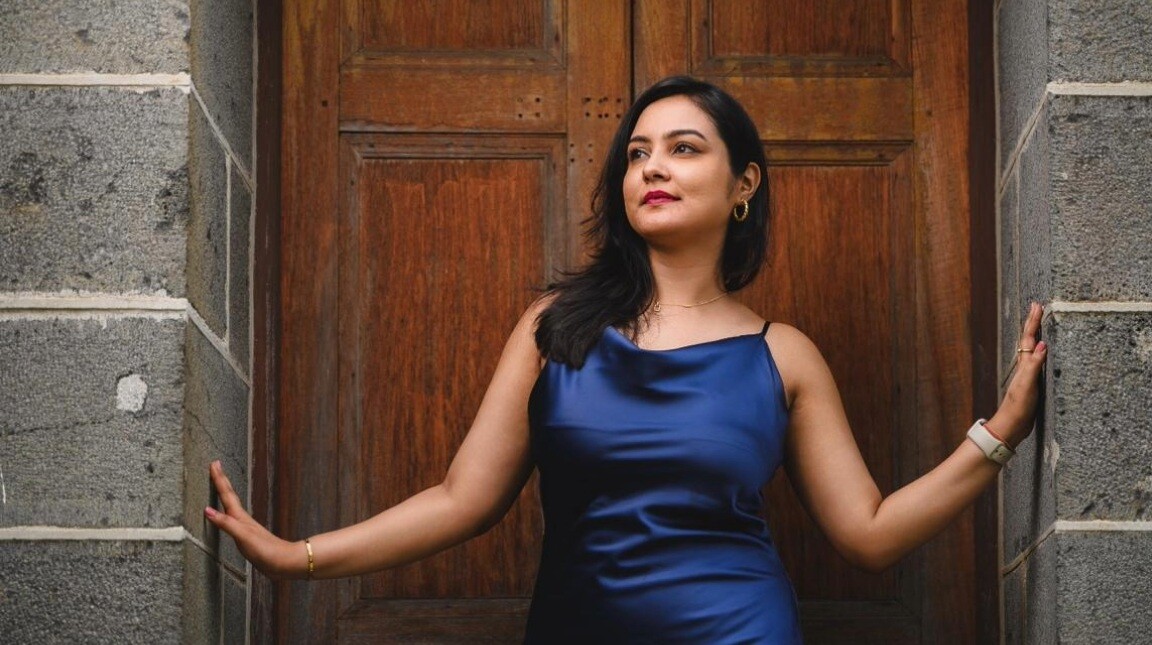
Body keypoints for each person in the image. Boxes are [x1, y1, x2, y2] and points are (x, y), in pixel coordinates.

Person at [205, 76, 1049, 643]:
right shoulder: (555, 328)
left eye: (684, 148)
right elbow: (463, 498)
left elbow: (867, 535)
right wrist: (296, 555)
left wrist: (1000, 430)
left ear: (744, 182)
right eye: (638, 153)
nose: (653, 167)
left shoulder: (782, 355)